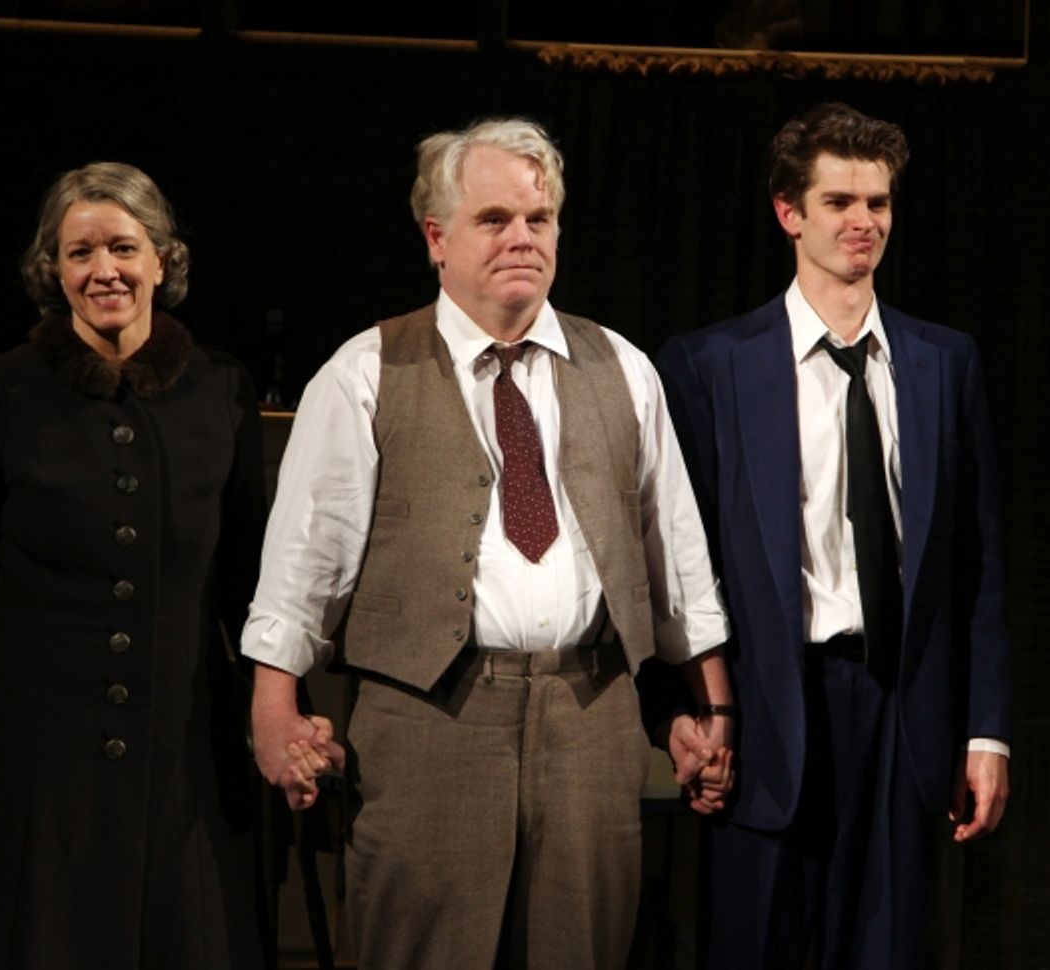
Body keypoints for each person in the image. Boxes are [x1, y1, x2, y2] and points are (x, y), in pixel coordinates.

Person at [242, 116, 733, 970]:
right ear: (437, 237)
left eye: (539, 221)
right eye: (494, 219)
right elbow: (304, 564)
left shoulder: (622, 366)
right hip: (432, 721)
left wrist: (710, 708)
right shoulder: (368, 369)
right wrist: (274, 705)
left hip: (590, 721)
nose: (522, 239)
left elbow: (677, 559)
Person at [655, 102, 1012, 969]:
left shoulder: (943, 361)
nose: (864, 222)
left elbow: (979, 566)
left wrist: (986, 733)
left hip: (902, 710)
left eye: (879, 203)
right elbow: (672, 559)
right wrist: (682, 713)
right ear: (790, 214)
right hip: (772, 705)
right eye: (841, 202)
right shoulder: (711, 365)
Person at [0, 162, 269, 969]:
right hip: (33, 761)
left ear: (162, 261)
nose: (104, 270)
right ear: (51, 271)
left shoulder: (219, 391)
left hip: (181, 757)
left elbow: (250, 579)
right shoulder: (5, 389)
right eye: (80, 252)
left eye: (124, 248)